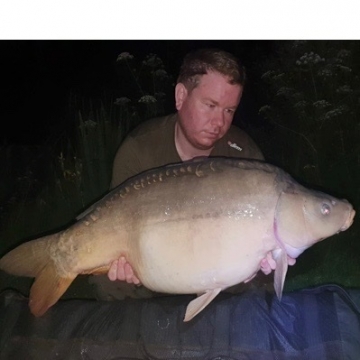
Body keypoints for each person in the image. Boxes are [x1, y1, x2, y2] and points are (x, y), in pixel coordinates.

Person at [89, 48, 295, 300]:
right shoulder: (139, 149)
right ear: (180, 96)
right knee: (108, 282)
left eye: (229, 110)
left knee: (262, 280)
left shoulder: (244, 155)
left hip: (219, 271)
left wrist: (264, 260)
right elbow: (113, 223)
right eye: (210, 105)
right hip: (155, 269)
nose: (219, 122)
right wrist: (125, 262)